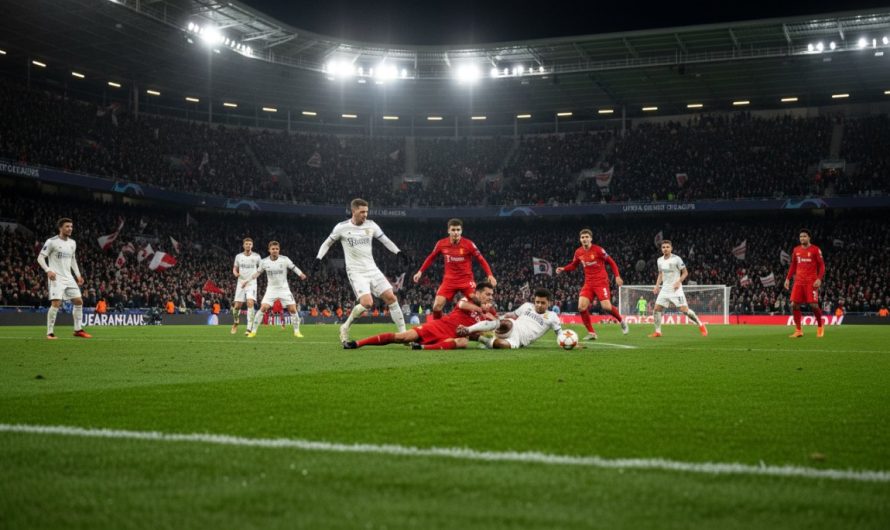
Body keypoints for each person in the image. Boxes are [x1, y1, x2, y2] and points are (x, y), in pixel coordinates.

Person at [316, 198, 407, 345]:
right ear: (353, 211)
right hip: (356, 271)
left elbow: (385, 240)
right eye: (362, 212)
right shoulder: (342, 227)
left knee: (391, 298)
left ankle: (404, 335)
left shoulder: (371, 225)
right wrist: (318, 259)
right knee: (367, 303)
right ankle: (345, 327)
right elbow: (327, 243)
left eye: (366, 211)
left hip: (372, 269)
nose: (365, 214)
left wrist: (399, 252)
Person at [344, 281, 496, 350]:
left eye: (491, 295)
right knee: (402, 337)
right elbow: (462, 305)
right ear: (477, 293)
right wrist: (481, 308)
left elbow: (488, 328)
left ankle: (422, 347)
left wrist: (482, 334)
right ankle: (358, 343)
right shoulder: (469, 299)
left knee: (463, 342)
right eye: (487, 294)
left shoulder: (491, 312)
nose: (490, 297)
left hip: (454, 335)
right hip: (440, 326)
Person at [413, 218, 497, 320]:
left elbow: (481, 259)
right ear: (448, 230)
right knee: (436, 306)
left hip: (466, 280)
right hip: (449, 281)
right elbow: (431, 257)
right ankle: (437, 327)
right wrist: (420, 272)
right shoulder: (441, 244)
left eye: (458, 230)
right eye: (453, 230)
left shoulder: (469, 244)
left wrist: (490, 274)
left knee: (479, 301)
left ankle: (497, 319)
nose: (455, 232)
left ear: (461, 231)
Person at [556, 228, 628, 340]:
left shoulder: (598, 250)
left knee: (606, 307)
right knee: (581, 307)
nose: (584, 239)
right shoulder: (578, 252)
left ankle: (621, 321)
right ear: (580, 239)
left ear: (591, 238)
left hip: (601, 282)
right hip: (588, 283)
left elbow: (611, 262)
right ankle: (592, 333)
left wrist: (617, 276)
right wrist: (564, 268)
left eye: (586, 237)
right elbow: (574, 265)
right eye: (582, 237)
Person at [37, 217, 91, 339]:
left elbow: (73, 260)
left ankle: (78, 330)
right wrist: (48, 270)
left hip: (69, 277)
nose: (70, 229)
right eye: (67, 226)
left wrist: (78, 275)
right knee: (56, 303)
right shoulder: (51, 241)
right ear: (60, 228)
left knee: (78, 301)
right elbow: (40, 258)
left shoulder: (73, 243)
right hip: (56, 277)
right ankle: (50, 333)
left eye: (71, 226)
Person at [457, 288, 561, 349]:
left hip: (520, 340)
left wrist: (568, 342)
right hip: (514, 326)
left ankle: (475, 337)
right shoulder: (527, 306)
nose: (539, 305)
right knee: (507, 323)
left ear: (549, 303)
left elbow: (560, 334)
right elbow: (512, 315)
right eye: (537, 302)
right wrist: (498, 318)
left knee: (499, 344)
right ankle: (467, 329)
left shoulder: (552, 316)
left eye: (543, 303)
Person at [244, 241, 307, 338]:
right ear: (269, 250)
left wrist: (301, 274)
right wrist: (247, 281)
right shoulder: (264, 262)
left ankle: (297, 332)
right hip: (271, 290)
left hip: (284, 289)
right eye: (273, 249)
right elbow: (257, 273)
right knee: (263, 308)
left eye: (277, 249)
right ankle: (253, 331)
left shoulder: (285, 259)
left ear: (279, 250)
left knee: (293, 309)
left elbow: (293, 267)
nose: (275, 251)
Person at [649, 240, 707, 338]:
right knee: (656, 309)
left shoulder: (677, 259)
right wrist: (657, 286)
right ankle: (658, 332)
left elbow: (685, 272)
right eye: (663, 247)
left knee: (684, 310)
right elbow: (660, 274)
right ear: (661, 249)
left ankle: (700, 324)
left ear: (671, 248)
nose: (665, 249)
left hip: (676, 289)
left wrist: (678, 282)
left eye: (667, 247)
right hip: (665, 289)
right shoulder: (659, 260)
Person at [783, 229, 826, 338]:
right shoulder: (796, 250)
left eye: (804, 236)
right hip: (798, 281)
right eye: (801, 236)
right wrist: (787, 279)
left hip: (811, 281)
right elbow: (793, 266)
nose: (802, 238)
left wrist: (819, 279)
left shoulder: (815, 250)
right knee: (794, 305)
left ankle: (820, 326)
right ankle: (798, 330)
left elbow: (822, 266)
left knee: (813, 305)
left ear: (809, 237)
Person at [231, 237, 262, 335]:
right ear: (243, 245)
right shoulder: (238, 256)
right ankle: (236, 322)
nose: (248, 245)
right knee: (237, 307)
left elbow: (260, 270)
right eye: (246, 244)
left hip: (252, 283)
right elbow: (235, 268)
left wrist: (252, 278)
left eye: (250, 244)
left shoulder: (257, 256)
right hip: (241, 283)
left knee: (250, 302)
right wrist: (236, 273)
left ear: (252, 245)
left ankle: (249, 328)